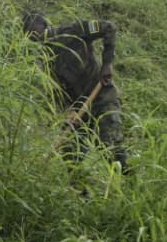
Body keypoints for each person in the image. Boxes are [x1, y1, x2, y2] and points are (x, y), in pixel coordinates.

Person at [24, 13, 128, 171]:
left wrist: (107, 64)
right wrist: (68, 111)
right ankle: (80, 192)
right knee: (71, 158)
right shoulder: (45, 57)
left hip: (101, 96)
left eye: (35, 31)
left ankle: (126, 183)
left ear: (43, 26)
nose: (35, 36)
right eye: (30, 35)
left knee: (112, 148)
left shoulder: (74, 30)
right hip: (78, 108)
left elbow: (109, 27)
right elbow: (57, 90)